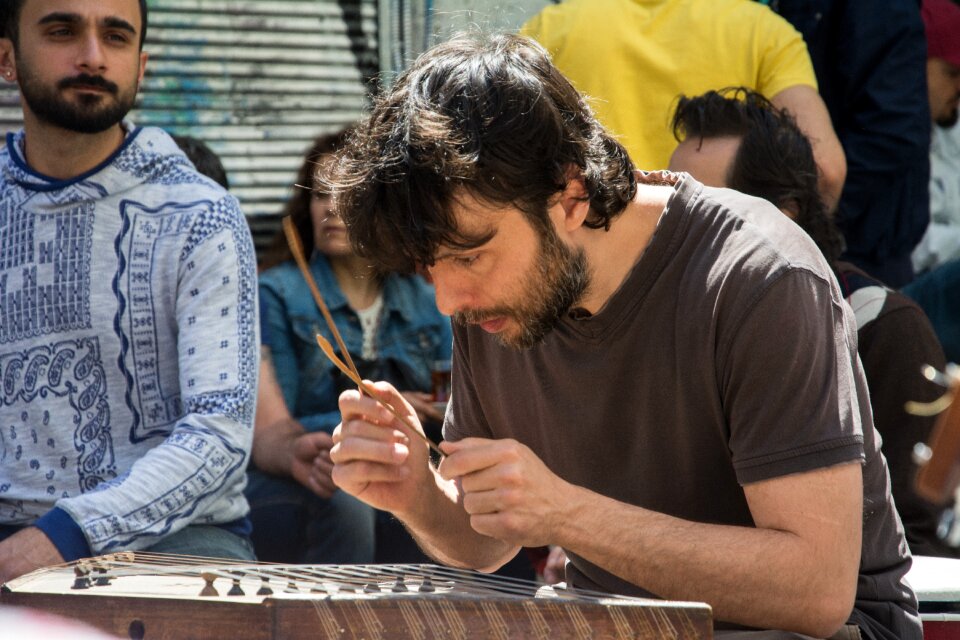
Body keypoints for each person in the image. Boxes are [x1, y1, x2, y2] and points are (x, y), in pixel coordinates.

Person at [323, 33, 919, 639]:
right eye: (429, 267)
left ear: (572, 194)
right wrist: (417, 491)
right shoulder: (492, 301)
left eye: (469, 257)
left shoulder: (759, 274)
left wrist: (566, 512)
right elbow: (487, 541)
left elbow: (814, 590)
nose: (448, 299)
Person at [0, 0, 258, 583]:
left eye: (115, 36)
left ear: (140, 66)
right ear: (7, 57)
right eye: (62, 30)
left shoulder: (201, 214)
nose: (92, 57)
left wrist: (60, 538)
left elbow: (218, 435)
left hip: (180, 540)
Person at [668, 87, 958, 559]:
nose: (668, 226)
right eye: (666, 202)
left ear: (783, 216)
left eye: (700, 210)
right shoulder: (669, 324)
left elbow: (918, 547)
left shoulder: (884, 329)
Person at [247, 130, 453, 564]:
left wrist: (433, 407)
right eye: (320, 195)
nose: (331, 208)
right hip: (322, 456)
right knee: (352, 493)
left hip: (409, 454)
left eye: (349, 193)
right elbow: (282, 425)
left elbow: (448, 390)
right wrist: (383, 416)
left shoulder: (427, 297)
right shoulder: (280, 294)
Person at [520, 0, 846, 211]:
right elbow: (824, 168)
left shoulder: (549, 28)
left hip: (589, 270)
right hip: (713, 270)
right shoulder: (765, 31)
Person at [771, 0, 931, 288]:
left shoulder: (878, 10)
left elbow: (893, 131)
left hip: (860, 243)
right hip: (814, 230)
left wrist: (813, 220)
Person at [902, 0, 960, 365]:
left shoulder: (950, 126)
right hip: (919, 302)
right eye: (952, 72)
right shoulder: (894, 141)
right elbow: (916, 246)